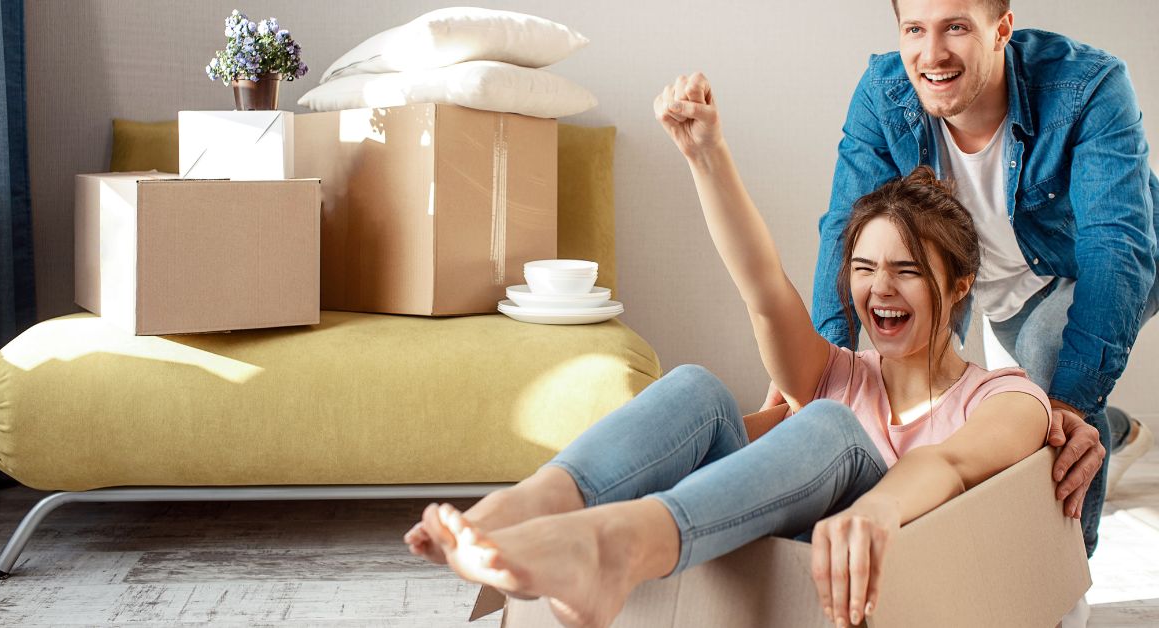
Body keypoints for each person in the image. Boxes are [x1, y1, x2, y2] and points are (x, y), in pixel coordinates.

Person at [403, 73, 1053, 628]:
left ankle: (617, 550)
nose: (879, 288)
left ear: (959, 285)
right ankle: (523, 512)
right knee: (698, 389)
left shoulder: (1006, 398)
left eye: (906, 270)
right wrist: (705, 154)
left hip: (875, 587)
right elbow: (764, 288)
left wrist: (879, 506)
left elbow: (951, 462)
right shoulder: (835, 373)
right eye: (863, 267)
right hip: (754, 551)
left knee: (828, 423)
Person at [801, 0, 1158, 562]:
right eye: (914, 29)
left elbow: (1116, 250)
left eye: (957, 27)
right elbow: (848, 228)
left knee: (1050, 369)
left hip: (1091, 259)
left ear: (1002, 30)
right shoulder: (884, 93)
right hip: (985, 276)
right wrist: (825, 367)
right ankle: (1115, 426)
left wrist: (1067, 403)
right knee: (954, 390)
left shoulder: (1089, 85)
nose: (932, 53)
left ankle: (1063, 577)